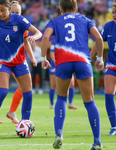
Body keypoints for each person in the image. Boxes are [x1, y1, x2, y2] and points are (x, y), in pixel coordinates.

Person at [41, 0, 103, 149]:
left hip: (63, 62)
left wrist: (44, 58)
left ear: (60, 9)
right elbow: (99, 38)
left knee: (61, 98)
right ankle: (97, 141)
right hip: (82, 61)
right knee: (89, 102)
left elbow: (45, 38)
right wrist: (99, 59)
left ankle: (59, 134)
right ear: (76, 8)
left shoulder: (54, 21)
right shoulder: (85, 19)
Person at [0, 0, 42, 135]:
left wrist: (34, 37)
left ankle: (25, 123)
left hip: (20, 62)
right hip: (3, 61)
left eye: (3, 10)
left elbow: (37, 32)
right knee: (2, 91)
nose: (1, 13)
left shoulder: (19, 19)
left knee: (28, 92)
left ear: (8, 8)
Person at [90, 1, 116, 136]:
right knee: (108, 94)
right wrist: (89, 57)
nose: (114, 15)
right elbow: (98, 41)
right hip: (112, 64)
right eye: (113, 12)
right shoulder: (108, 26)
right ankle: (114, 127)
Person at [49, 39, 78, 110]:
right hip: (55, 65)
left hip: (66, 64)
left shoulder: (69, 40)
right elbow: (52, 53)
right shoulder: (55, 41)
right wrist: (56, 63)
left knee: (72, 84)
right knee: (53, 85)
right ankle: (52, 104)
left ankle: (70, 103)